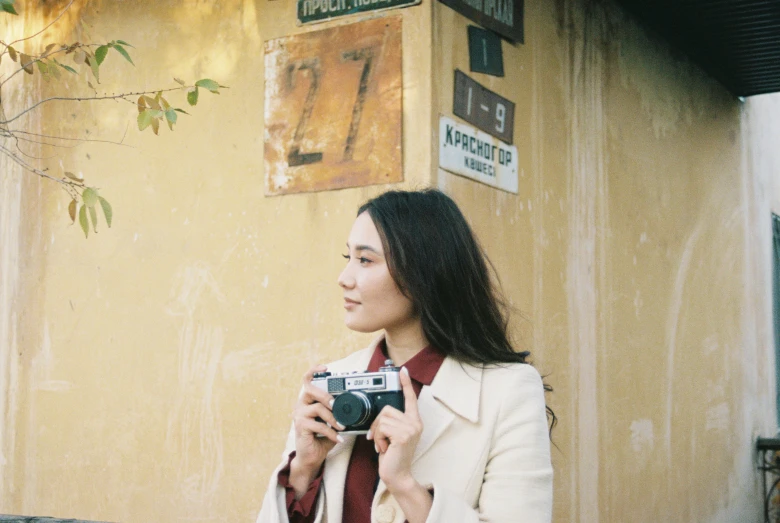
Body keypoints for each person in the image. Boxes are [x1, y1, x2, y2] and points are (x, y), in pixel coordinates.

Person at [257, 189, 553, 523]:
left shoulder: (508, 390)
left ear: (421, 272)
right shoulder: (327, 385)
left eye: (365, 260)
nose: (344, 279)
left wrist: (404, 486)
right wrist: (302, 471)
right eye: (348, 258)